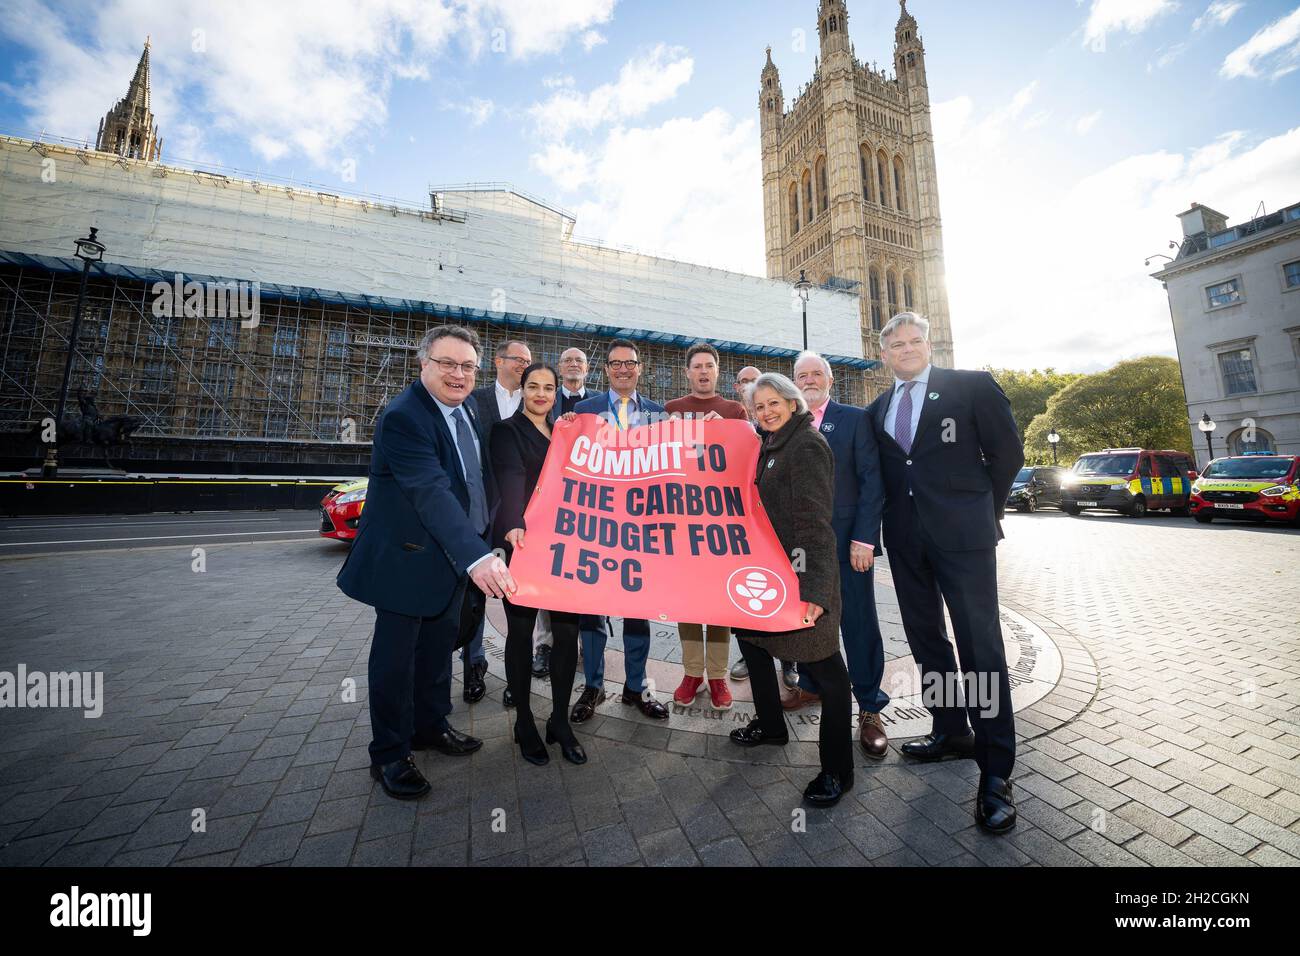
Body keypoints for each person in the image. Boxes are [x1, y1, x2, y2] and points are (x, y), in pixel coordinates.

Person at [337, 325, 516, 800]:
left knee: (438, 649)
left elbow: (477, 479)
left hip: (454, 558)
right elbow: (430, 491)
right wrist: (476, 554)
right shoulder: (404, 417)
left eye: (467, 366)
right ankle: (390, 755)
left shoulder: (469, 409)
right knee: (396, 661)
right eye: (448, 364)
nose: (458, 374)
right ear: (424, 364)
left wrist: (488, 532)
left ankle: (431, 727)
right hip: (408, 560)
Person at [866, 312, 1024, 833]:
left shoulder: (971, 386)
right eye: (897, 344)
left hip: (965, 538)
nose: (906, 350)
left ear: (929, 345)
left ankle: (996, 772)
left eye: (915, 341)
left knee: (981, 646)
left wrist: (982, 509)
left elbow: (1008, 453)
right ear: (883, 352)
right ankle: (951, 728)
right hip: (908, 541)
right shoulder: (878, 408)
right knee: (927, 640)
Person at [731, 373, 853, 806]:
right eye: (758, 407)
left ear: (792, 401)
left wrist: (816, 594)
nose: (765, 412)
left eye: (772, 403)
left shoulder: (806, 446)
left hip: (802, 581)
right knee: (753, 647)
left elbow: (816, 525)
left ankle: (838, 771)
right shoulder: (770, 444)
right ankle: (770, 726)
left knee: (829, 676)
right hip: (768, 578)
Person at [785, 352, 890, 760]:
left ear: (830, 380)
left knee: (858, 623)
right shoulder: (785, 423)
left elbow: (872, 480)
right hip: (801, 549)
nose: (809, 380)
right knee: (809, 619)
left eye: (816, 374)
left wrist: (865, 538)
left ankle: (868, 706)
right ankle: (811, 683)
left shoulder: (854, 419)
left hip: (848, 545)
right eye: (801, 375)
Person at [490, 363, 587, 766]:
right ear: (522, 390)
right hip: (523, 544)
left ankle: (560, 722)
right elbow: (510, 477)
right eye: (534, 387)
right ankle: (525, 721)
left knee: (567, 635)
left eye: (549, 388)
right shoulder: (506, 431)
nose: (542, 394)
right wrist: (513, 522)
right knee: (521, 632)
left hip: (566, 547)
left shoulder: (566, 432)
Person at [570, 339, 671, 723]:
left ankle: (635, 687)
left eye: (630, 363)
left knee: (637, 612)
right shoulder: (582, 411)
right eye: (616, 364)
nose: (623, 370)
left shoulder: (658, 415)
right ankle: (592, 686)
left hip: (640, 530)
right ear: (606, 370)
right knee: (591, 613)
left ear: (639, 368)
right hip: (595, 526)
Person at [665, 342, 748, 710]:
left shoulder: (734, 411)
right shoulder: (672, 411)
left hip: (721, 524)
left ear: (717, 372)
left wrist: (730, 431)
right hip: (682, 523)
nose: (702, 371)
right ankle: (691, 672)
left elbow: (746, 462)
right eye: (696, 366)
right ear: (687, 372)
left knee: (717, 602)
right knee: (686, 601)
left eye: (709, 366)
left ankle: (717, 677)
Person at [463, 339, 533, 705]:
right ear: (498, 361)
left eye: (528, 361)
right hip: (479, 513)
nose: (522, 366)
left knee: (516, 601)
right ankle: (473, 665)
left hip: (520, 518)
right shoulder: (473, 400)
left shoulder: (536, 403)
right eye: (517, 359)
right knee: (473, 594)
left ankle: (515, 678)